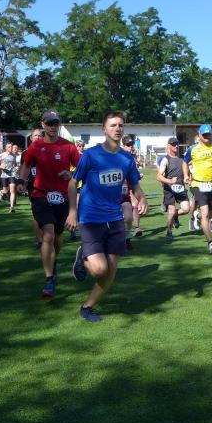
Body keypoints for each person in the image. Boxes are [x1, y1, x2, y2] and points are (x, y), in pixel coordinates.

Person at [68, 111, 148, 322]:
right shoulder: (91, 155)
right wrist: (72, 212)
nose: (117, 128)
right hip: (91, 218)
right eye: (113, 125)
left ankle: (87, 306)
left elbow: (135, 185)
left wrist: (142, 199)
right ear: (104, 129)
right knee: (99, 270)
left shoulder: (127, 158)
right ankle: (83, 256)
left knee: (111, 269)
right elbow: (72, 183)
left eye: (120, 125)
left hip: (114, 219)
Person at [18, 110, 80, 297]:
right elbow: (26, 165)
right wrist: (21, 181)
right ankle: (49, 280)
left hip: (62, 196)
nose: (53, 126)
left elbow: (82, 168)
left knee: (58, 239)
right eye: (49, 123)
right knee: (48, 235)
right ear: (43, 124)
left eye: (56, 123)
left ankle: (52, 262)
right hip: (41, 195)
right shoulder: (35, 147)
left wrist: (71, 174)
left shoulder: (68, 146)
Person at [184, 124, 212, 254]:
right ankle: (210, 242)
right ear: (199, 135)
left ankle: (197, 217)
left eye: (209, 134)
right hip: (198, 184)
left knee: (210, 213)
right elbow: (185, 162)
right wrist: (186, 175)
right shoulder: (192, 149)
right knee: (205, 212)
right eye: (204, 135)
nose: (207, 137)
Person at [157, 137, 191, 241]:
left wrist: (188, 178)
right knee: (171, 211)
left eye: (177, 144)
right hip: (169, 189)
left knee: (186, 209)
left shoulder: (183, 159)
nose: (176, 146)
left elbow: (188, 172)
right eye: (173, 144)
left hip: (181, 188)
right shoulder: (166, 159)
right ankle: (169, 232)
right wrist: (169, 181)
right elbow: (159, 176)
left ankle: (176, 215)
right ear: (169, 146)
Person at [25, 128, 44, 249]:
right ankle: (40, 240)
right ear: (31, 138)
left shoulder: (47, 150)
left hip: (48, 187)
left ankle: (49, 236)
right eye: (35, 135)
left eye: (39, 135)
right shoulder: (26, 153)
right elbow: (23, 170)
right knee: (36, 215)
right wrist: (22, 182)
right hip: (34, 188)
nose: (37, 137)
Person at [0, 142, 19, 212]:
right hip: (4, 174)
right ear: (6, 148)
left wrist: (16, 167)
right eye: (9, 147)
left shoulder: (14, 155)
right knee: (6, 191)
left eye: (11, 147)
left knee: (12, 189)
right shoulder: (2, 155)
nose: (11, 148)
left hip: (12, 174)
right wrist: (1, 166)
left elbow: (15, 164)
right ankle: (2, 192)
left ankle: (12, 207)